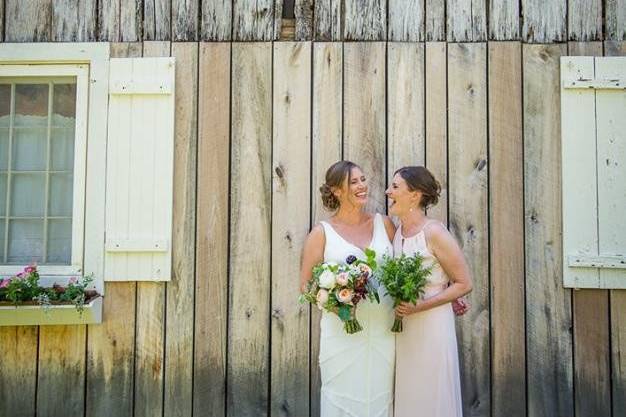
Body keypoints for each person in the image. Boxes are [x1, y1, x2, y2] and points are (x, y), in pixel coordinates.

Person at [300, 160, 396, 417]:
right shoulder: (322, 233)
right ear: (336, 191)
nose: (362, 186)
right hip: (341, 335)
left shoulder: (384, 225)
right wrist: (340, 303)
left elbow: (405, 267)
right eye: (353, 182)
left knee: (381, 399)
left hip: (383, 332)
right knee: (342, 400)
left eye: (363, 180)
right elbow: (307, 287)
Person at [386, 166, 472, 417]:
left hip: (432, 325)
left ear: (415, 195)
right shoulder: (398, 231)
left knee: (432, 391)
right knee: (410, 391)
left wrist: (420, 306)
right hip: (405, 328)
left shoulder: (434, 232)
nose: (388, 191)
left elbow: (464, 283)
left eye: (395, 187)